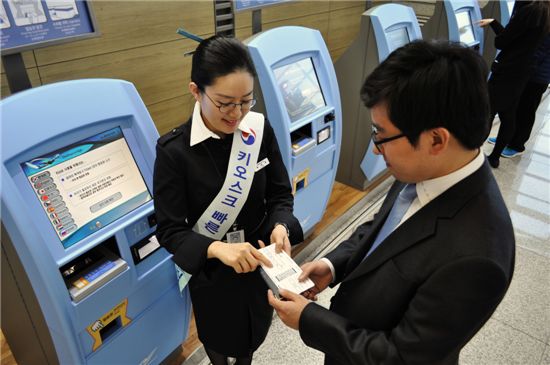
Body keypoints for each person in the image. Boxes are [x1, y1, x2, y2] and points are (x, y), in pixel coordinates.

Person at [268, 40, 515, 365]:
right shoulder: (422, 168)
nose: (374, 149)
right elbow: (381, 230)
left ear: (436, 139)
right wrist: (332, 265)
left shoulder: (478, 257)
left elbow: (402, 356)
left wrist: (309, 320)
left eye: (381, 135)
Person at [154, 35, 303, 365]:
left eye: (246, 101)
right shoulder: (174, 152)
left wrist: (281, 225)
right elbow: (169, 231)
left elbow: (280, 193)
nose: (237, 113)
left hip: (258, 261)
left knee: (255, 333)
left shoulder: (258, 130)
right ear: (196, 91)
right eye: (224, 103)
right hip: (212, 274)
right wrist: (216, 248)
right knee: (219, 338)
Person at [479, 1, 550, 168]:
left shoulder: (528, 11)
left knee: (488, 111)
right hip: (524, 71)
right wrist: (494, 23)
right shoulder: (545, 11)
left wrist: (497, 27)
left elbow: (503, 42)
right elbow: (520, 40)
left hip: (508, 69)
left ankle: (474, 155)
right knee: (509, 113)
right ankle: (495, 157)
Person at [488, 34, 550, 156]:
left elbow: (539, 52)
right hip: (533, 74)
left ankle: (517, 145)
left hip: (537, 77)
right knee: (518, 107)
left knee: (526, 110)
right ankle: (509, 138)